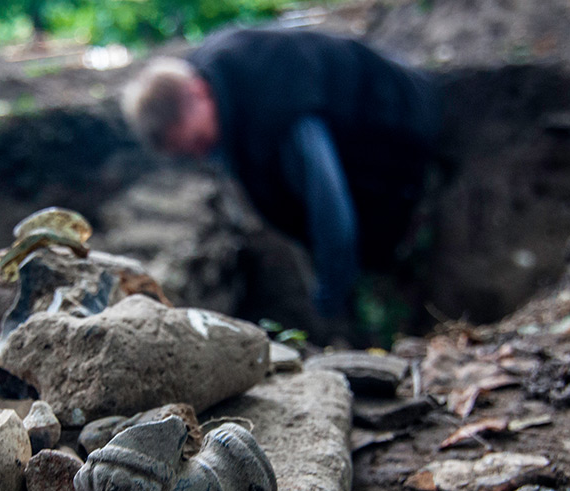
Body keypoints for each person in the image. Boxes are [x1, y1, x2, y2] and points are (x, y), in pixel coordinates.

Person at [121, 27, 442, 330]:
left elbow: (329, 209)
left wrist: (331, 301)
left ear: (199, 91)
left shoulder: (275, 96)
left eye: (198, 141)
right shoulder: (220, 88)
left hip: (407, 123)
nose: (202, 155)